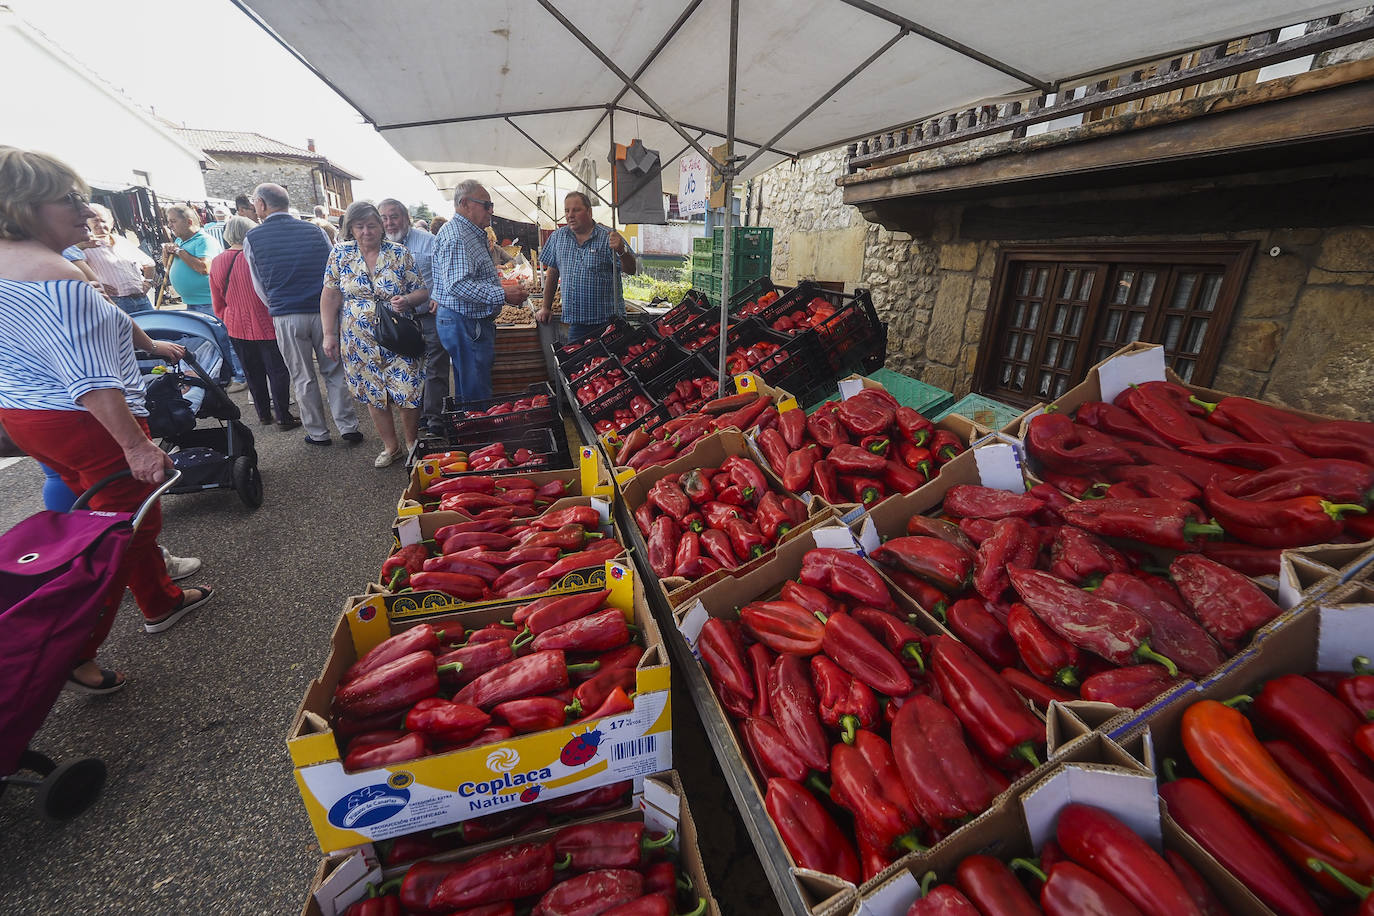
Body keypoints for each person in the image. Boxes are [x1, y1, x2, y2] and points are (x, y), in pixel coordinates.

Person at [0, 147, 214, 693]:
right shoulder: (55, 274)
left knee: (112, 522)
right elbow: (90, 377)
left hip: (28, 415)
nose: (83, 205)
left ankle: (160, 600)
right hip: (84, 419)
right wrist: (136, 447)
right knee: (122, 533)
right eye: (65, 198)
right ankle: (72, 650)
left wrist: (148, 342)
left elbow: (101, 322)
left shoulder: (20, 264)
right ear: (21, 206)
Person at [243, 182, 361, 446]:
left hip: (286, 314)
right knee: (334, 370)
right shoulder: (314, 231)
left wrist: (276, 306)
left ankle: (318, 433)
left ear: (261, 204)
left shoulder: (252, 238)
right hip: (322, 310)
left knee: (302, 376)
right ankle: (347, 426)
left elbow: (258, 283)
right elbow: (333, 272)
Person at [322, 201, 428, 467]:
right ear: (350, 229)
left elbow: (422, 290)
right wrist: (329, 334)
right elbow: (331, 293)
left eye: (371, 225)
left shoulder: (399, 253)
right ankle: (391, 447)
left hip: (398, 335)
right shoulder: (340, 254)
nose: (366, 231)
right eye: (359, 226)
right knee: (374, 393)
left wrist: (406, 299)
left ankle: (411, 444)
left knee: (408, 392)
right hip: (359, 340)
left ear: (381, 227)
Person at [432, 179, 527, 404]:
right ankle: (479, 432)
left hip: (466, 321)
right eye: (486, 205)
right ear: (465, 203)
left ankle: (470, 428)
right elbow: (457, 285)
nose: (491, 211)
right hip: (465, 321)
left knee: (470, 385)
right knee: (475, 392)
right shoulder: (457, 236)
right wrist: (503, 294)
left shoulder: (469, 233)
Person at [209, 215, 298, 430]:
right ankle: (283, 417)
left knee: (252, 372)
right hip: (267, 322)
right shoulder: (259, 256)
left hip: (235, 324)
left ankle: (263, 414)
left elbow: (217, 300)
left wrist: (228, 317)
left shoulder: (218, 260)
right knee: (277, 371)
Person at [379, 197, 446, 435]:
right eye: (384, 218)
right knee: (408, 369)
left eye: (394, 216)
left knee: (436, 367)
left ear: (406, 218)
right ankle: (416, 416)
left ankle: (434, 419)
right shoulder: (378, 247)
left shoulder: (429, 242)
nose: (389, 223)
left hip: (429, 314)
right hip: (397, 321)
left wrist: (437, 297)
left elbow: (443, 275)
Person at [161, 203, 246, 389]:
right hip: (193, 302)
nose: (171, 226)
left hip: (209, 301)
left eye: (174, 221)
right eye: (169, 222)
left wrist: (179, 252)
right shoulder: (179, 242)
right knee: (207, 340)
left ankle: (241, 377)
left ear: (189, 221)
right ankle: (222, 374)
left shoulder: (204, 241)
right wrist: (167, 252)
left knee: (224, 338)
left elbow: (204, 268)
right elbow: (167, 266)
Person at [537, 191, 636, 345]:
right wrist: (545, 307)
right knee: (577, 365)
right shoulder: (557, 237)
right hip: (577, 323)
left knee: (610, 365)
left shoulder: (608, 237)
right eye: (566, 210)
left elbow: (631, 269)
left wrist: (622, 251)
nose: (570, 215)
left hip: (608, 322)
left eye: (576, 210)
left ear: (589, 211)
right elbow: (553, 272)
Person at [75, 202, 155, 315]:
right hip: (116, 302)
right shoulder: (85, 245)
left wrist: (148, 282)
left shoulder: (121, 241)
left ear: (111, 222)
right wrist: (97, 286)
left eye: (103, 220)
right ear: (88, 223)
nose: (100, 225)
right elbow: (74, 272)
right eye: (95, 221)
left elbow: (149, 263)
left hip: (142, 300)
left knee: (153, 331)